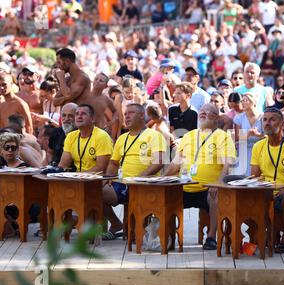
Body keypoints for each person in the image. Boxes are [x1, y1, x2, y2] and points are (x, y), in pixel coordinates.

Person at [164, 103, 236, 250]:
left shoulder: (222, 136)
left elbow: (227, 165)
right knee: (163, 194)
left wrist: (218, 183)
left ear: (216, 118)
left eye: (208, 112)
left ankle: (211, 237)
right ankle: (167, 236)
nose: (202, 113)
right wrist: (161, 179)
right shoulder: (189, 135)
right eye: (201, 111)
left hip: (208, 188)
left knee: (215, 196)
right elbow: (175, 164)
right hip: (183, 185)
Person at [102, 103, 166, 240]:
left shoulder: (154, 136)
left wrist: (137, 179)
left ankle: (132, 227)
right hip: (124, 184)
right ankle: (115, 223)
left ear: (142, 115)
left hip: (145, 185)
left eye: (131, 113)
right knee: (93, 191)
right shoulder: (122, 138)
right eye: (125, 114)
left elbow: (159, 162)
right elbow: (113, 163)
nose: (126, 116)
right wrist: (108, 177)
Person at [251, 107, 284, 254]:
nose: (267, 123)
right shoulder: (258, 146)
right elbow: (254, 177)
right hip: (266, 190)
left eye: (272, 119)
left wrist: (280, 192)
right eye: (265, 119)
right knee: (245, 199)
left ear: (282, 124)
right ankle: (267, 234)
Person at [58, 104, 113, 173]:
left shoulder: (102, 136)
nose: (79, 117)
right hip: (79, 179)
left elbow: (101, 168)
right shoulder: (70, 136)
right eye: (77, 114)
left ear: (93, 119)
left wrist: (79, 176)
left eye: (83, 114)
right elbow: (63, 165)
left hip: (98, 180)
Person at [233, 92, 264, 176]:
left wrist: (257, 134)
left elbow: (268, 137)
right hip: (244, 151)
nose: (242, 102)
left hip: (259, 151)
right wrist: (248, 133)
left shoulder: (263, 117)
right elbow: (237, 139)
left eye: (245, 100)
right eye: (242, 100)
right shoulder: (238, 118)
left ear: (253, 102)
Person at [48, 102, 77, 167]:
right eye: (64, 115)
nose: (66, 119)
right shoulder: (56, 132)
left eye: (70, 116)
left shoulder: (82, 134)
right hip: (56, 170)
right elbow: (49, 152)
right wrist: (51, 163)